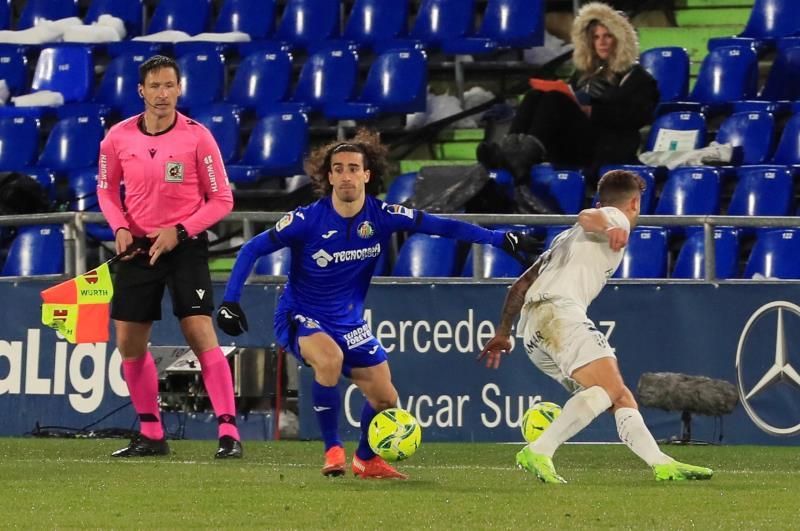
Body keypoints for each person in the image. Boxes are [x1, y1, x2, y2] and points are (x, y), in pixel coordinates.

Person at [216, 130, 537, 479]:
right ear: (329, 176)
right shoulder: (306, 220)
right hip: (301, 314)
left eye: (353, 168)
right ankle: (333, 450)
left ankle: (365, 459)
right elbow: (251, 249)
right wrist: (230, 301)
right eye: (337, 169)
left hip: (348, 321)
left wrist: (498, 238)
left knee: (386, 399)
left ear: (367, 174)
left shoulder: (383, 215)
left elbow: (441, 226)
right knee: (329, 359)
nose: (346, 175)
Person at [479, 169, 713, 483]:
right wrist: (610, 225)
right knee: (608, 388)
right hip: (559, 314)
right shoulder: (612, 217)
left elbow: (519, 286)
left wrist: (504, 332)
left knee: (618, 395)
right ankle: (539, 450)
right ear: (634, 202)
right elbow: (589, 216)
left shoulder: (565, 240)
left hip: (533, 330)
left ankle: (661, 463)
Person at [97, 55, 242, 459]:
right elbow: (107, 191)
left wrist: (179, 231)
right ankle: (151, 433)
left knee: (198, 329)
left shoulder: (198, 138)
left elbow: (222, 199)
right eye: (155, 86)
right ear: (141, 91)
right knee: (128, 342)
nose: (163, 94)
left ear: (180, 89)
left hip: (185, 245)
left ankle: (229, 433)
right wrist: (120, 228)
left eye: (169, 86)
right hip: (138, 247)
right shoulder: (117, 137)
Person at [479, 2, 659, 174]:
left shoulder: (639, 78)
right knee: (535, 95)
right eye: (596, 37)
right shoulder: (584, 73)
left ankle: (525, 156)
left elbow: (639, 116)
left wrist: (593, 110)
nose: (601, 42)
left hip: (607, 146)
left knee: (554, 99)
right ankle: (510, 150)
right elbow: (571, 100)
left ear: (620, 40)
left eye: (608, 36)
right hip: (577, 141)